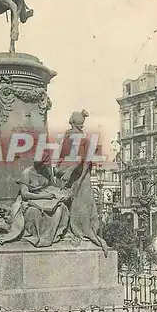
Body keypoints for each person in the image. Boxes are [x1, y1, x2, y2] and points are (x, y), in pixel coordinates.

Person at [55, 110, 109, 256]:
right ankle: (70, 231)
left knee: (81, 206)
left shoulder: (78, 138)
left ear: (72, 122)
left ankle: (81, 233)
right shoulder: (69, 137)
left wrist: (69, 172)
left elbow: (81, 160)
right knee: (70, 204)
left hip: (78, 177)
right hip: (70, 175)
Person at [0, 156, 71, 247]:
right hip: (30, 199)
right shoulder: (27, 173)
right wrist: (43, 196)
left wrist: (59, 193)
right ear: (40, 164)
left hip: (45, 198)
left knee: (60, 207)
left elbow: (50, 186)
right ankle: (41, 236)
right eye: (46, 163)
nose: (48, 165)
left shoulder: (47, 171)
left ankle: (54, 234)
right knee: (34, 212)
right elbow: (25, 194)